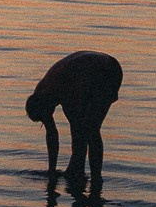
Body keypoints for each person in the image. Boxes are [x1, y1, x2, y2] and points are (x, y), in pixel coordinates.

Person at [24, 52, 122, 195]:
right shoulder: (40, 93)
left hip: (108, 71)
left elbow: (77, 136)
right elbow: (52, 133)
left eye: (45, 118)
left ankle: (96, 180)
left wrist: (69, 168)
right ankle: (79, 177)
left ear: (47, 107)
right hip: (86, 72)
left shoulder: (67, 93)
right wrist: (52, 171)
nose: (48, 121)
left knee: (90, 128)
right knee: (81, 131)